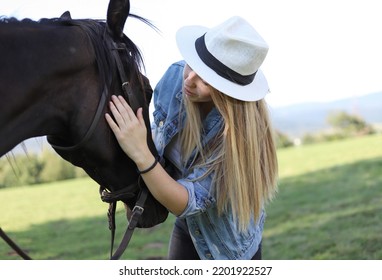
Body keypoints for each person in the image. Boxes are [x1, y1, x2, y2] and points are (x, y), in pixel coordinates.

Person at [105, 16, 278, 260]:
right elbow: (160, 134)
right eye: (192, 64)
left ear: (227, 94)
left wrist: (141, 153)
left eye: (206, 80)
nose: (189, 80)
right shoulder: (176, 76)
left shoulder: (238, 138)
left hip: (227, 246)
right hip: (188, 226)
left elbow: (185, 202)